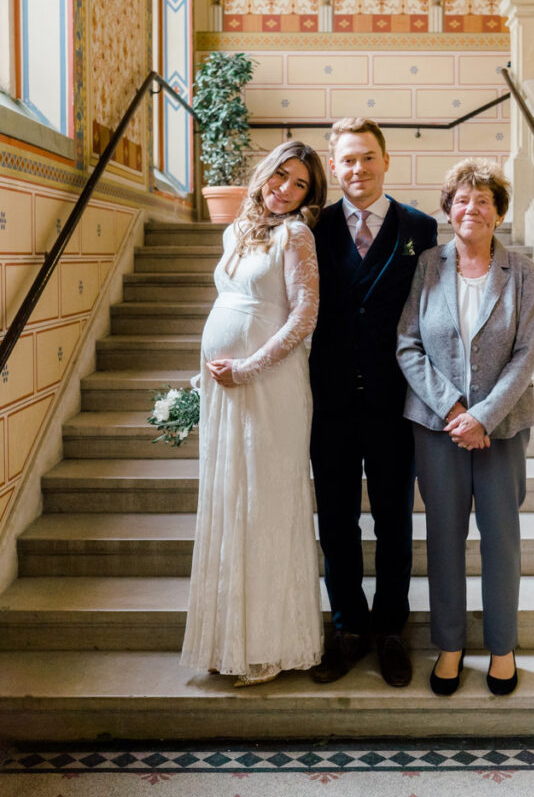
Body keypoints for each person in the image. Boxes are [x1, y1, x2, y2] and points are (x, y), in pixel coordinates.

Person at [180, 140, 327, 686]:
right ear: (265, 173)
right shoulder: (235, 231)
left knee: (264, 503)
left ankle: (270, 646)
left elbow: (304, 316)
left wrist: (248, 366)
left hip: (270, 386)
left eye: (300, 185)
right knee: (229, 500)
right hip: (227, 388)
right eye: (280, 176)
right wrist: (208, 374)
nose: (284, 190)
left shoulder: (298, 234)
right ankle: (230, 640)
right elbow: (230, 305)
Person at [396, 157, 534, 697]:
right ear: (448, 209)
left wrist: (484, 416)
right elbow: (407, 344)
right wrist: (455, 411)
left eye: (482, 200)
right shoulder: (427, 265)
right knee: (443, 539)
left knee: (502, 539)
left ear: (498, 212)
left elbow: (525, 356)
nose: (471, 208)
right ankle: (450, 645)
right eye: (461, 199)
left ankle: (502, 648)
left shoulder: (523, 273)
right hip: (437, 429)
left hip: (503, 430)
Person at [309, 117, 438, 687]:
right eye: (346, 160)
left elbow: (437, 316)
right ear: (333, 167)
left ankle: (389, 629)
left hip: (394, 401)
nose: (356, 169)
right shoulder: (312, 227)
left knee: (392, 521)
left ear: (385, 160)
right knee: (336, 520)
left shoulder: (421, 227)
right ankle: (347, 628)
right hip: (329, 400)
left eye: (366, 157)